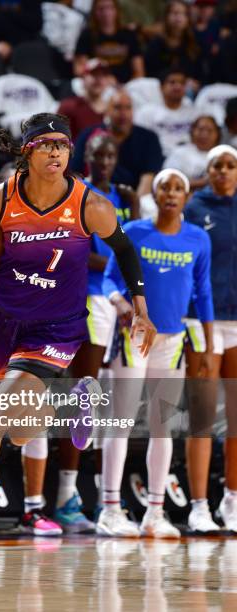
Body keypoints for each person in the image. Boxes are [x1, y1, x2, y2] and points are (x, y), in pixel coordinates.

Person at [0, 112, 156, 575]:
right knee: (15, 433)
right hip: (6, 324)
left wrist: (139, 305)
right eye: (47, 144)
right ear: (28, 151)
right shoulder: (1, 200)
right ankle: (69, 402)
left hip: (56, 328)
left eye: (63, 143)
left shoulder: (88, 204)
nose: (57, 151)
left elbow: (123, 249)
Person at [98, 168, 213, 538]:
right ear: (156, 194)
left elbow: (203, 291)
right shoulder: (133, 232)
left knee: (163, 429)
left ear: (186, 197)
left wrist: (207, 342)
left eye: (179, 188)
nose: (171, 193)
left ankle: (155, 513)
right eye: (165, 186)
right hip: (134, 337)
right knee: (122, 421)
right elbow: (109, 279)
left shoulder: (197, 238)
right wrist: (124, 309)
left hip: (173, 340)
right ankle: (110, 510)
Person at [55, 133, 139, 532]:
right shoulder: (78, 195)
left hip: (118, 302)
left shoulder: (124, 196)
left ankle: (107, 495)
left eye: (110, 154)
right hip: (88, 299)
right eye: (97, 154)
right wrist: (115, 256)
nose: (104, 159)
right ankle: (64, 496)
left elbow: (134, 241)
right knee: (82, 394)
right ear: (86, 157)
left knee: (106, 405)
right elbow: (75, 250)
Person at [184, 144, 237, 533]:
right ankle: (199, 505)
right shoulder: (193, 207)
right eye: (217, 165)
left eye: (230, 165)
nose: (223, 171)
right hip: (201, 320)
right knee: (202, 416)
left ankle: (232, 501)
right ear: (208, 170)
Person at [72, 89, 164, 196]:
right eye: (117, 107)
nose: (123, 113)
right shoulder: (89, 135)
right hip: (93, 196)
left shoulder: (149, 138)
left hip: (133, 198)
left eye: (128, 108)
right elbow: (75, 173)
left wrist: (136, 206)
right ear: (107, 111)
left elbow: (148, 178)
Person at [134, 68, 202, 159]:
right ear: (161, 87)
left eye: (182, 83)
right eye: (172, 82)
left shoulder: (195, 113)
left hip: (190, 160)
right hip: (158, 159)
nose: (177, 86)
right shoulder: (147, 113)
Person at [73, 0, 145, 82]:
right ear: (94, 12)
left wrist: (125, 89)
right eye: (101, 9)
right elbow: (79, 69)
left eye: (110, 8)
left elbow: (139, 71)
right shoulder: (87, 35)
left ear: (117, 10)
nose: (106, 13)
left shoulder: (129, 35)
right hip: (97, 84)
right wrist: (103, 81)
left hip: (127, 85)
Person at [144, 0, 202, 86]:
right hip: (161, 88)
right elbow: (150, 73)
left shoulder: (194, 43)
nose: (178, 17)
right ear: (166, 16)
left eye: (183, 14)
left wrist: (195, 83)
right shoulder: (156, 43)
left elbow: (200, 74)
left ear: (188, 19)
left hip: (187, 88)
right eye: (175, 13)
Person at [57, 59, 116, 141]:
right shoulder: (69, 107)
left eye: (104, 75)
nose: (99, 79)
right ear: (83, 78)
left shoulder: (114, 109)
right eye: (94, 74)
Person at [164, 115, 221, 190]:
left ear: (217, 134)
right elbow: (168, 181)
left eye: (209, 131)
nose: (204, 134)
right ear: (192, 131)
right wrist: (203, 182)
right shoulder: (179, 152)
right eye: (200, 129)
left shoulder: (224, 154)